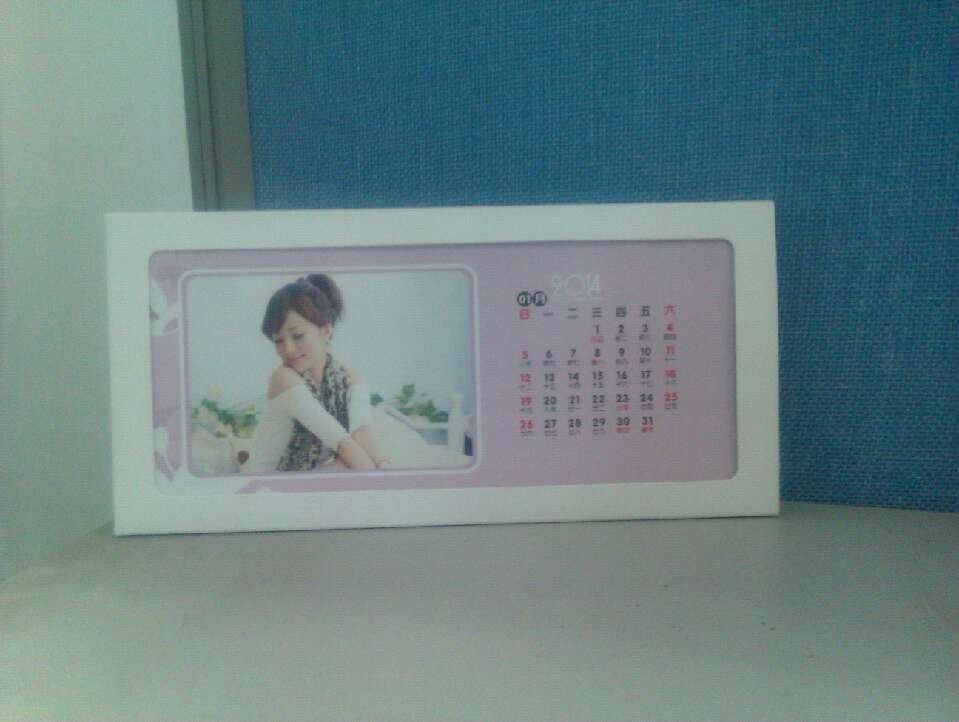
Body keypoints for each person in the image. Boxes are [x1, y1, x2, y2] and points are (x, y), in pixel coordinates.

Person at [248, 273, 390, 472]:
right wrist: (378, 481)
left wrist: (383, 464)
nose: (288, 349)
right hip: (268, 480)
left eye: (297, 336)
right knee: (345, 464)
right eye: (278, 340)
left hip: (314, 472)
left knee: (348, 464)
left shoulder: (349, 378)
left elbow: (361, 431)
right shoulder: (284, 378)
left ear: (326, 331)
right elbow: (343, 443)